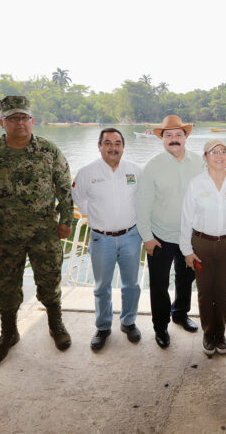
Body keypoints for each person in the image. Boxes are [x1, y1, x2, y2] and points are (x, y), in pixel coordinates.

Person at [0, 96, 74, 366]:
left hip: (44, 231)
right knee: (6, 287)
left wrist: (66, 220)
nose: (20, 123)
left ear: (32, 120)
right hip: (5, 234)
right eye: (13, 118)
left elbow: (64, 188)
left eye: (24, 117)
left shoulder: (49, 150)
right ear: (1, 122)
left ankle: (56, 325)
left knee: (50, 281)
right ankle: (8, 333)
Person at [72, 128, 142, 350]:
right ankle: (103, 327)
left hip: (131, 236)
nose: (113, 147)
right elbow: (78, 198)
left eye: (118, 143)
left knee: (131, 284)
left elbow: (144, 198)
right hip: (101, 239)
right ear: (99, 146)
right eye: (108, 143)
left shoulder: (135, 170)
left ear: (123, 146)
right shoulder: (86, 172)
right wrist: (96, 216)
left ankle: (128, 322)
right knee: (102, 286)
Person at [136, 114, 203, 348]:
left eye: (178, 135)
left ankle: (181, 314)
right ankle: (161, 326)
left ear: (185, 137)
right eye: (169, 135)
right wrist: (147, 237)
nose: (174, 139)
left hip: (191, 237)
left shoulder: (199, 162)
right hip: (161, 237)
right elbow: (142, 205)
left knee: (186, 280)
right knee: (159, 284)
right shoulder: (151, 167)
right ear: (162, 139)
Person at [180, 139, 226, 356]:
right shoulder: (196, 184)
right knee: (204, 291)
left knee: (222, 292)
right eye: (213, 152)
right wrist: (187, 250)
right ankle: (208, 333)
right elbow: (186, 219)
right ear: (205, 157)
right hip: (202, 244)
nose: (219, 155)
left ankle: (220, 334)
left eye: (223, 151)